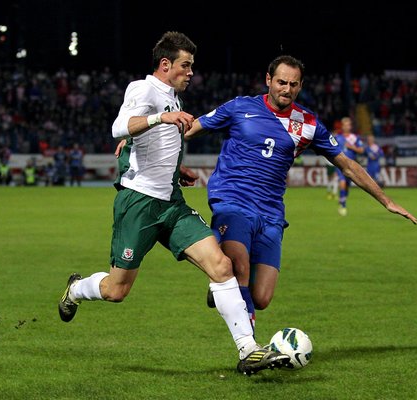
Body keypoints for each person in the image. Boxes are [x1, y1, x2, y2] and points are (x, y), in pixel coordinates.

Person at [58, 31, 290, 376]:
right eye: (186, 65)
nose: (191, 72)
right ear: (165, 64)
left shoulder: (173, 98)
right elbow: (120, 127)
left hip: (172, 204)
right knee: (117, 290)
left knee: (221, 266)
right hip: (139, 204)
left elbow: (154, 144)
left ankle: (249, 350)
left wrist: (175, 169)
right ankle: (77, 289)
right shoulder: (143, 88)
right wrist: (159, 119)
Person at [183, 55, 417, 337]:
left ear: (301, 86)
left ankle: (224, 286)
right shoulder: (239, 107)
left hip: (271, 213)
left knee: (261, 297)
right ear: (268, 80)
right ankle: (249, 348)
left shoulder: (307, 124)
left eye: (293, 84)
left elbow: (347, 165)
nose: (287, 89)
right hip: (233, 201)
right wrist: (151, 143)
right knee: (239, 266)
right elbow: (189, 130)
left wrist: (386, 200)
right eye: (281, 82)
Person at [334, 117, 365, 216]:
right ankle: (343, 205)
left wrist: (351, 147)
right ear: (342, 126)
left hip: (351, 165)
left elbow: (361, 150)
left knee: (347, 185)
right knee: (342, 181)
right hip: (340, 164)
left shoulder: (354, 138)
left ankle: (342, 198)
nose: (347, 127)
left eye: (349, 125)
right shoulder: (337, 137)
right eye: (345, 125)